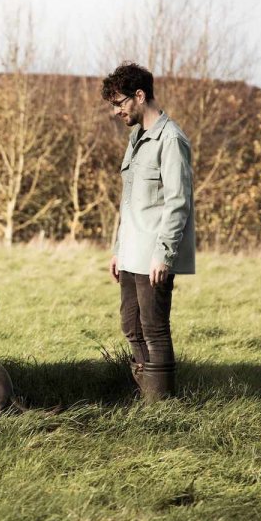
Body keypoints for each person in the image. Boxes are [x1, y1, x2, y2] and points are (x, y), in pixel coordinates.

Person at [101, 62, 195, 398]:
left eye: (120, 103)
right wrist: (118, 249)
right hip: (131, 253)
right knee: (130, 325)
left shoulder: (171, 139)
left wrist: (164, 255)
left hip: (154, 255)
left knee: (154, 329)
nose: (117, 111)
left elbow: (178, 203)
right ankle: (146, 392)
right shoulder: (136, 137)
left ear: (140, 96)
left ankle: (161, 405)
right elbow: (129, 200)